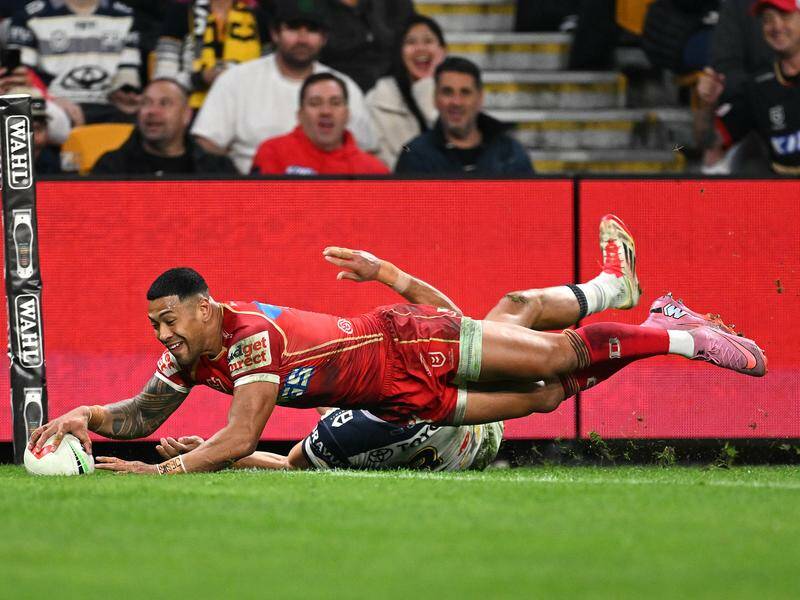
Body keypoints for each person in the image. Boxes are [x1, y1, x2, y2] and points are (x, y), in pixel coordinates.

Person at [29, 215, 766, 475]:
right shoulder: (191, 352)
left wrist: (158, 474)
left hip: (408, 346)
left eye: (171, 320)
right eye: (154, 325)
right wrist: (88, 418)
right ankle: (632, 299)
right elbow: (143, 416)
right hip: (399, 394)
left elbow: (242, 435)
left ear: (206, 305)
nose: (163, 335)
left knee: (555, 358)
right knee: (545, 388)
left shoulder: (247, 338)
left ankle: (676, 333)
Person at [191, 0, 376, 174]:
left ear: (324, 38)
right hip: (251, 193)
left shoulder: (344, 88)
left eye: (312, 30)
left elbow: (367, 152)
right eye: (293, 28)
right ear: (275, 33)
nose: (302, 39)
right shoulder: (236, 80)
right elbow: (206, 143)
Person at [700, 0, 800, 175]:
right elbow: (709, 144)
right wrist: (709, 104)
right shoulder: (759, 86)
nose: (776, 26)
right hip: (784, 196)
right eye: (767, 19)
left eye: (785, 16)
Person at [7, 0, 143, 126]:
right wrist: (51, 101)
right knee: (20, 111)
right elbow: (17, 78)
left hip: (108, 106)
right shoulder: (27, 15)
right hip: (52, 107)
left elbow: (128, 71)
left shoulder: (125, 15)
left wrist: (124, 93)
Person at [394, 57, 534, 175]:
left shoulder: (510, 153)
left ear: (480, 98)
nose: (456, 102)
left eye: (465, 92)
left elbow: (532, 204)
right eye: (447, 92)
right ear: (435, 98)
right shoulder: (414, 154)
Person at [251, 72, 388, 175]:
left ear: (347, 115)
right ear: (300, 115)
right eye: (315, 103)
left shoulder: (373, 170)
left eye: (335, 103)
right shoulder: (273, 153)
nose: (326, 111)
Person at [91, 79, 237, 175]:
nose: (152, 111)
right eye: (146, 103)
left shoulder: (217, 169)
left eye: (164, 103)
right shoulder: (111, 168)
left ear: (186, 115)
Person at [153, 0, 273, 109]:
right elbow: (163, 81)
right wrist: (200, 78)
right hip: (190, 114)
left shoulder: (260, 19)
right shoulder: (180, 13)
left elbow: (268, 78)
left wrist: (236, 77)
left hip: (246, 111)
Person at [366, 14, 446, 169]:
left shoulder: (459, 96)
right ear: (399, 52)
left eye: (428, 41)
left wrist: (427, 92)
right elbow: (382, 157)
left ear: (443, 51)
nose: (421, 48)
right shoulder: (378, 100)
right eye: (411, 42)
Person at [318, 0, 415, 93]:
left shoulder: (395, 4)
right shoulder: (315, 7)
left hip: (393, 88)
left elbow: (414, 38)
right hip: (334, 89)